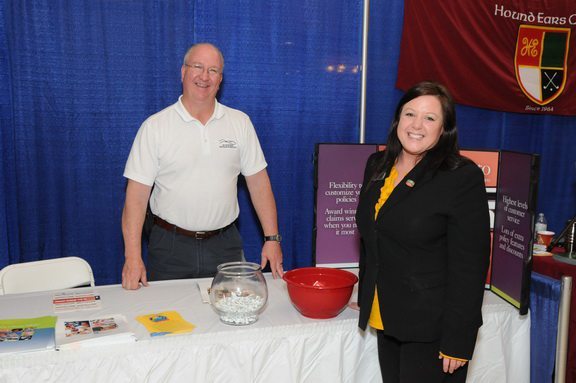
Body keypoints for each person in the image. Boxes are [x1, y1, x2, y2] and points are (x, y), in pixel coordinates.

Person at [355, 81, 490, 382]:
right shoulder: (377, 165)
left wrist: (458, 339)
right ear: (397, 120)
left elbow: (470, 266)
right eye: (409, 114)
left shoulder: (461, 177)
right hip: (387, 317)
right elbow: (372, 236)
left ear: (444, 128)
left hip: (432, 329)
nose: (417, 125)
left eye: (430, 118)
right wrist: (367, 292)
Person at [121, 43, 283, 290]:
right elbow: (135, 198)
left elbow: (260, 185)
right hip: (169, 248)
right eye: (197, 67)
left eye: (213, 70)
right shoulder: (155, 127)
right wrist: (132, 257)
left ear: (220, 79)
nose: (204, 76)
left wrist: (272, 239)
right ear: (183, 72)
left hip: (225, 246)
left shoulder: (240, 123)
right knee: (167, 324)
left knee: (231, 319)